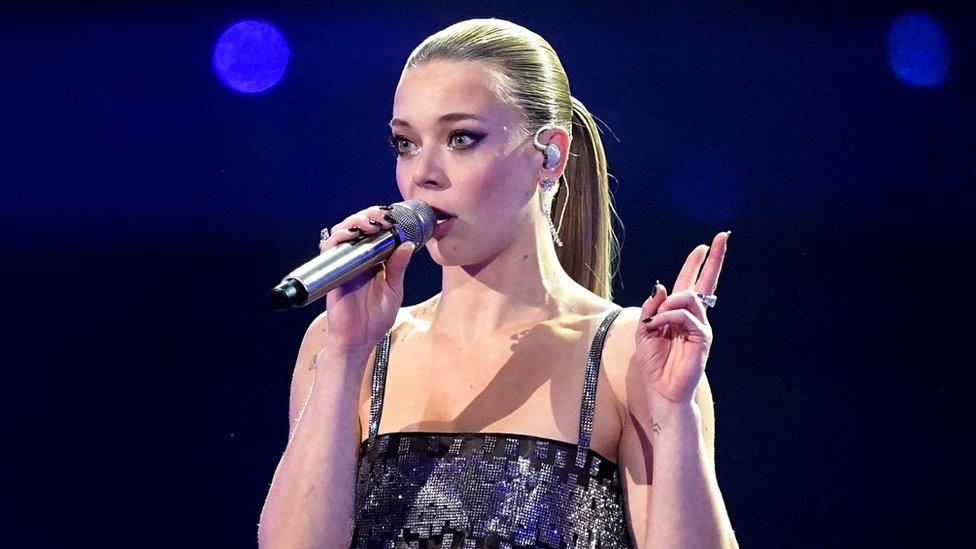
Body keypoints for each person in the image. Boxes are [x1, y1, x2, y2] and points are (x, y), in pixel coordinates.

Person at [258, 18, 737, 548]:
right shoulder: (347, 347)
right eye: (405, 144)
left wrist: (675, 412)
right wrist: (346, 353)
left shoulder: (633, 353)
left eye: (461, 138)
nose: (423, 173)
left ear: (550, 153)